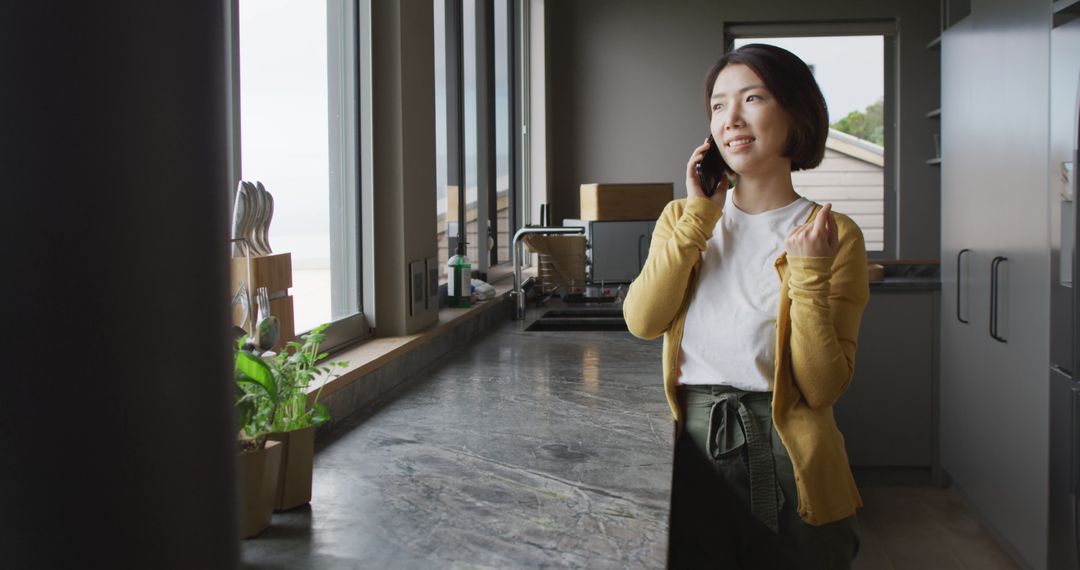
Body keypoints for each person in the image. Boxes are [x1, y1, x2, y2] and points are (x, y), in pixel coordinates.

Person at [622, 43, 869, 568]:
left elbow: (823, 386)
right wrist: (697, 217)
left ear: (795, 113)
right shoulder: (683, 219)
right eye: (717, 105)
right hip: (692, 448)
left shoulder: (834, 235)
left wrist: (807, 272)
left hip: (791, 457)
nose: (730, 118)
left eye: (751, 98)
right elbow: (643, 322)